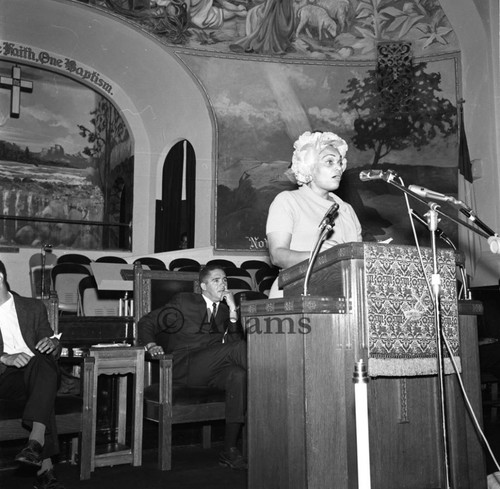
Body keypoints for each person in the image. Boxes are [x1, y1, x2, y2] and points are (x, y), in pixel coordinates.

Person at [137, 264, 247, 470]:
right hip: (183, 367)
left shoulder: (223, 311)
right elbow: (146, 322)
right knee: (240, 349)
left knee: (238, 375)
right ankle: (277, 381)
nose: (223, 284)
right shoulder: (184, 302)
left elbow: (233, 340)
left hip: (211, 370)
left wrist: (233, 311)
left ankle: (229, 449)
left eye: (225, 280)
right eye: (216, 280)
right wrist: (151, 344)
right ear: (203, 286)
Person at [266, 130, 362, 297]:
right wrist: (320, 257)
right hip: (293, 293)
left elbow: (357, 262)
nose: (338, 168)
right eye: (329, 162)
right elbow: (277, 255)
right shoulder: (287, 201)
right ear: (308, 165)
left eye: (340, 163)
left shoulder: (347, 210)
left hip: (341, 295)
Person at [0, 260, 64, 489]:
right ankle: (44, 467)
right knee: (44, 391)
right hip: (4, 377)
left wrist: (51, 344)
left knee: (43, 361)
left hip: (35, 373)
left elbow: (51, 342)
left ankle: (35, 444)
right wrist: (4, 357)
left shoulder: (33, 307)